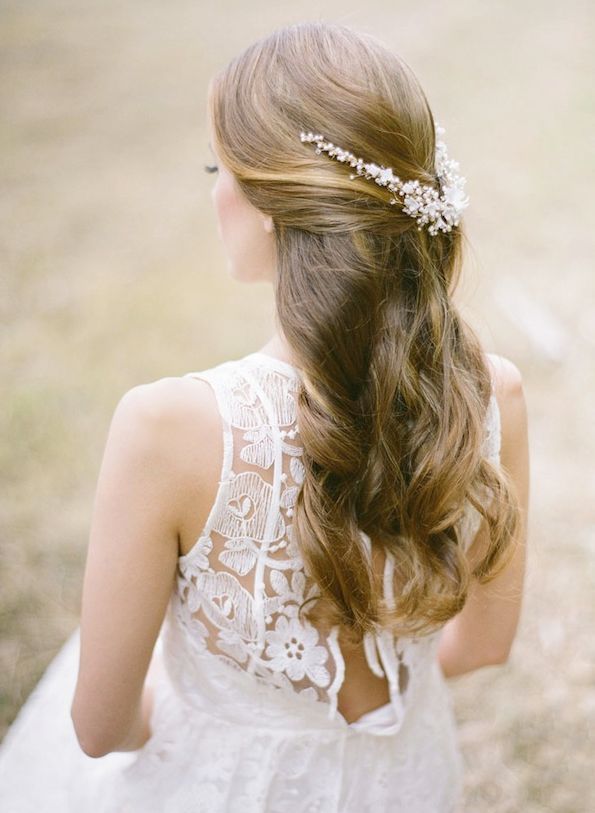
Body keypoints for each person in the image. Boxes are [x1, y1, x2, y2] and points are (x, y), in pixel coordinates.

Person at [0, 20, 529, 813]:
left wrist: (238, 728)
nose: (214, 191)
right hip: (408, 784)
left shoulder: (166, 427)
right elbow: (484, 646)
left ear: (277, 204)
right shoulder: (489, 395)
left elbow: (100, 725)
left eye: (221, 167)